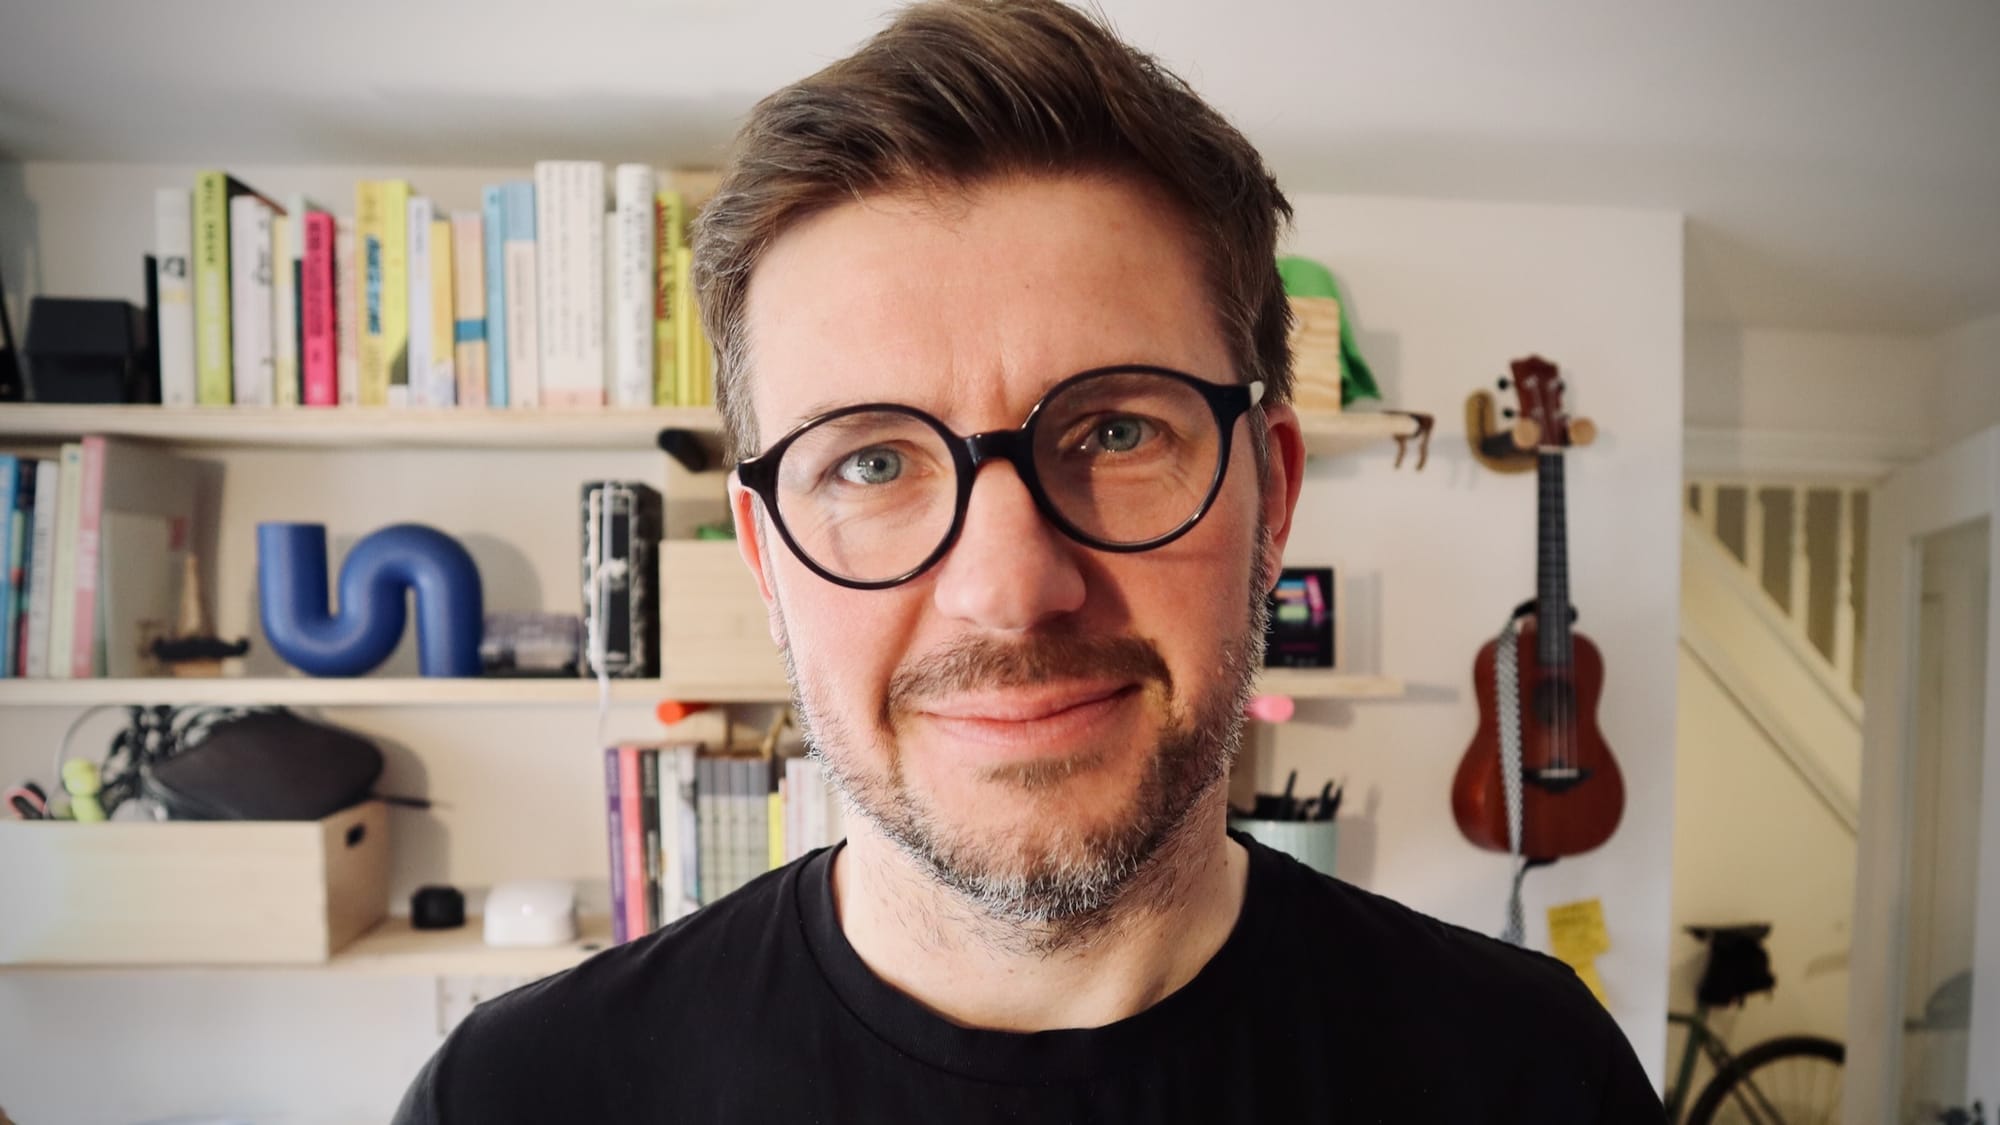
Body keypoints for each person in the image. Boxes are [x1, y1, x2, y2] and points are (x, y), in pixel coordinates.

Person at [394, 1, 1665, 1120]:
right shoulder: (521, 1096)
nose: (1009, 586)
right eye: (872, 463)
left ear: (1271, 490)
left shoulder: (1532, 1073)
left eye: (1114, 430)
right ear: (767, 558)